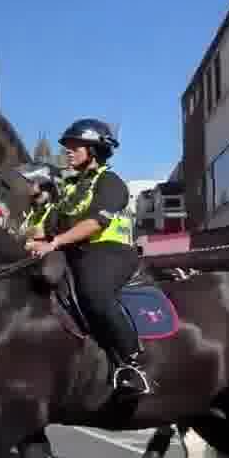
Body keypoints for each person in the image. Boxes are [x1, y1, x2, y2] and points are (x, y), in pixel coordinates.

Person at [29, 118, 147, 396]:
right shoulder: (69, 189)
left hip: (109, 251)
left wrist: (55, 241)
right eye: (67, 146)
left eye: (75, 146)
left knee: (94, 294)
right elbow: (46, 227)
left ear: (94, 150)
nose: (68, 151)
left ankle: (132, 363)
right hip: (73, 250)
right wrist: (28, 243)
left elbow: (95, 223)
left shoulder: (111, 182)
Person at [15, 162, 62, 241]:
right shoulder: (32, 213)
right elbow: (19, 235)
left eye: (42, 185)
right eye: (32, 183)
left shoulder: (56, 212)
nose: (35, 189)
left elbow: (47, 232)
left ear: (52, 189)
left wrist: (22, 233)